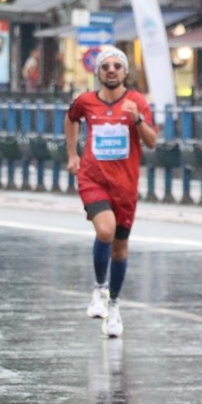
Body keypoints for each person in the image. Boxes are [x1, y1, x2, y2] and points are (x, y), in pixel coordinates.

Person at [64, 47, 158, 338]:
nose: (112, 70)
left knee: (119, 247)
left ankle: (114, 306)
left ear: (126, 72)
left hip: (125, 185)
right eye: (106, 66)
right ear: (98, 72)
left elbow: (152, 142)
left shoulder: (136, 102)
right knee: (105, 231)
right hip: (93, 178)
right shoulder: (86, 101)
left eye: (118, 65)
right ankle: (98, 289)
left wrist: (137, 120)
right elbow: (71, 119)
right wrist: (73, 155)